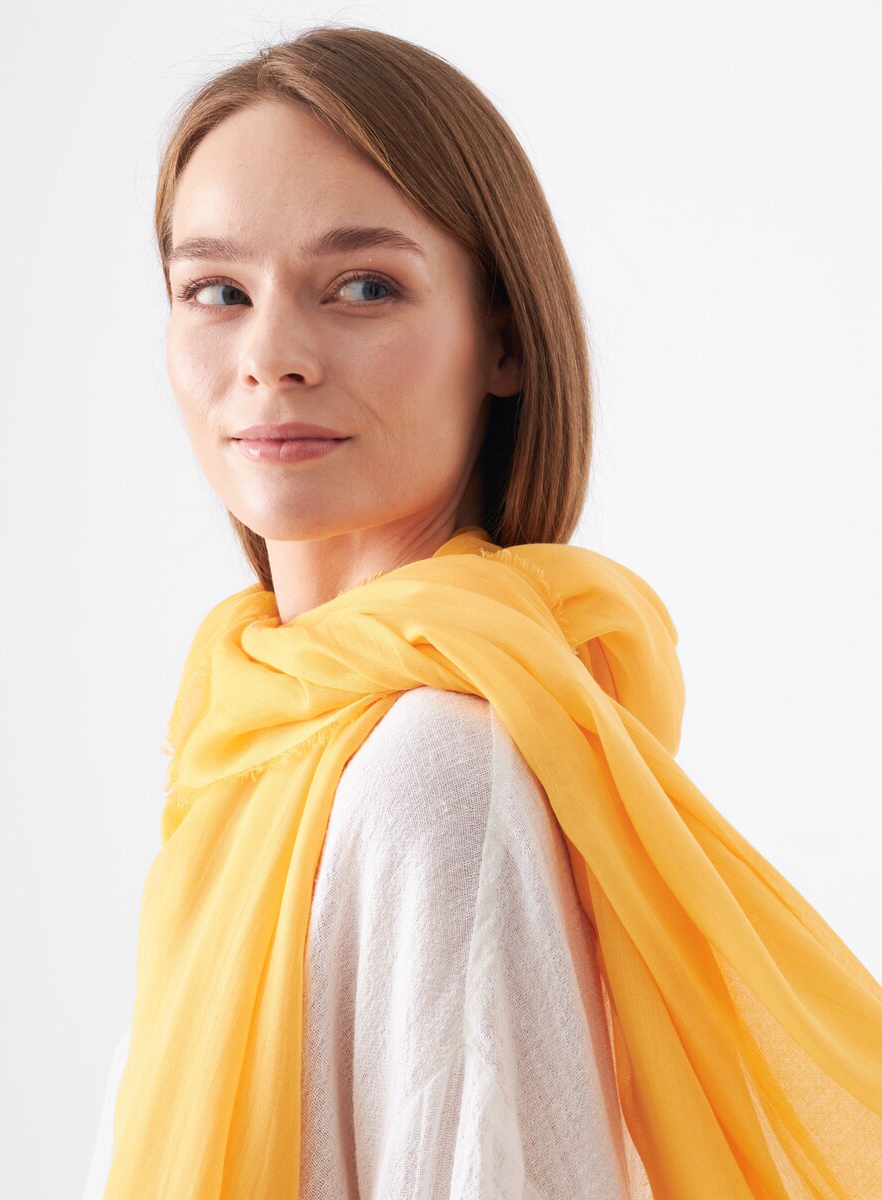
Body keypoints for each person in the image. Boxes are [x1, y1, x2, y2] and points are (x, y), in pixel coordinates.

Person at [83, 25, 882, 1200]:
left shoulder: (438, 777)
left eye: (364, 287)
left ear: (501, 339)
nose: (270, 355)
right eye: (217, 291)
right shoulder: (242, 742)